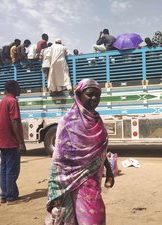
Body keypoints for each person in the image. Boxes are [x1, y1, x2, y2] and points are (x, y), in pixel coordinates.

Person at [46, 78, 115, 224]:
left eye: (97, 95)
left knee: (95, 217)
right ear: (79, 95)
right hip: (69, 182)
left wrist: (109, 170)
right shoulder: (68, 121)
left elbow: (100, 151)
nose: (94, 98)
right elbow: (59, 158)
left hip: (92, 181)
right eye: (90, 94)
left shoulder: (97, 120)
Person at [0, 80, 26, 204]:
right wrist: (21, 142)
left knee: (4, 169)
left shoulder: (2, 102)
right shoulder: (13, 101)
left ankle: (4, 195)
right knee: (12, 170)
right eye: (19, 87)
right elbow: (15, 122)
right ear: (13, 88)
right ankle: (10, 197)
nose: (20, 90)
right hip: (11, 141)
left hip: (3, 141)